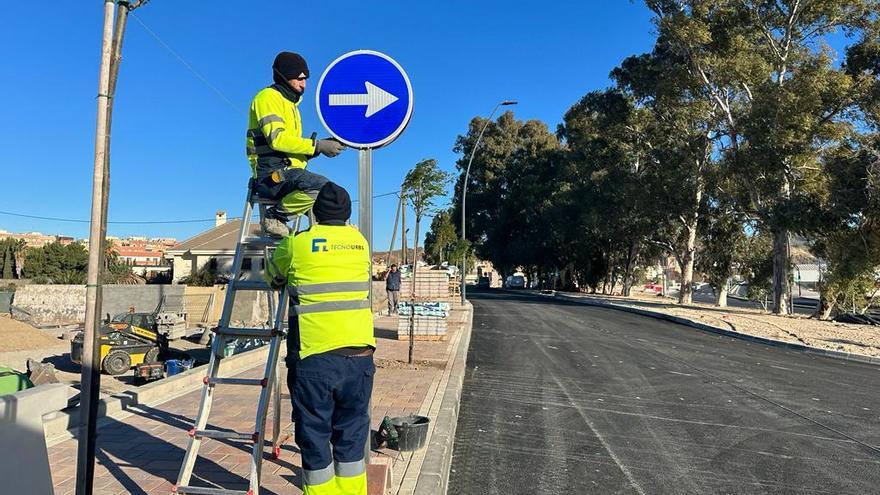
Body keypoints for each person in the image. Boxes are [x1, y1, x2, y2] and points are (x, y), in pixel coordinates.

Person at [265, 182, 375, 495]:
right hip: (360, 357)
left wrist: (279, 242)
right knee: (352, 436)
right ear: (347, 212)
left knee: (314, 438)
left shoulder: (298, 244)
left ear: (315, 212)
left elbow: (273, 277)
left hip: (314, 358)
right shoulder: (360, 243)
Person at [247, 51, 347, 237]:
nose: (304, 84)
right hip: (271, 176)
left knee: (333, 195)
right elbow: (277, 139)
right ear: (284, 76)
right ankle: (275, 217)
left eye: (306, 79)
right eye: (299, 79)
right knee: (321, 187)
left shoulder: (291, 105)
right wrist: (317, 145)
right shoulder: (268, 98)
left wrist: (320, 148)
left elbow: (290, 149)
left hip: (287, 173)